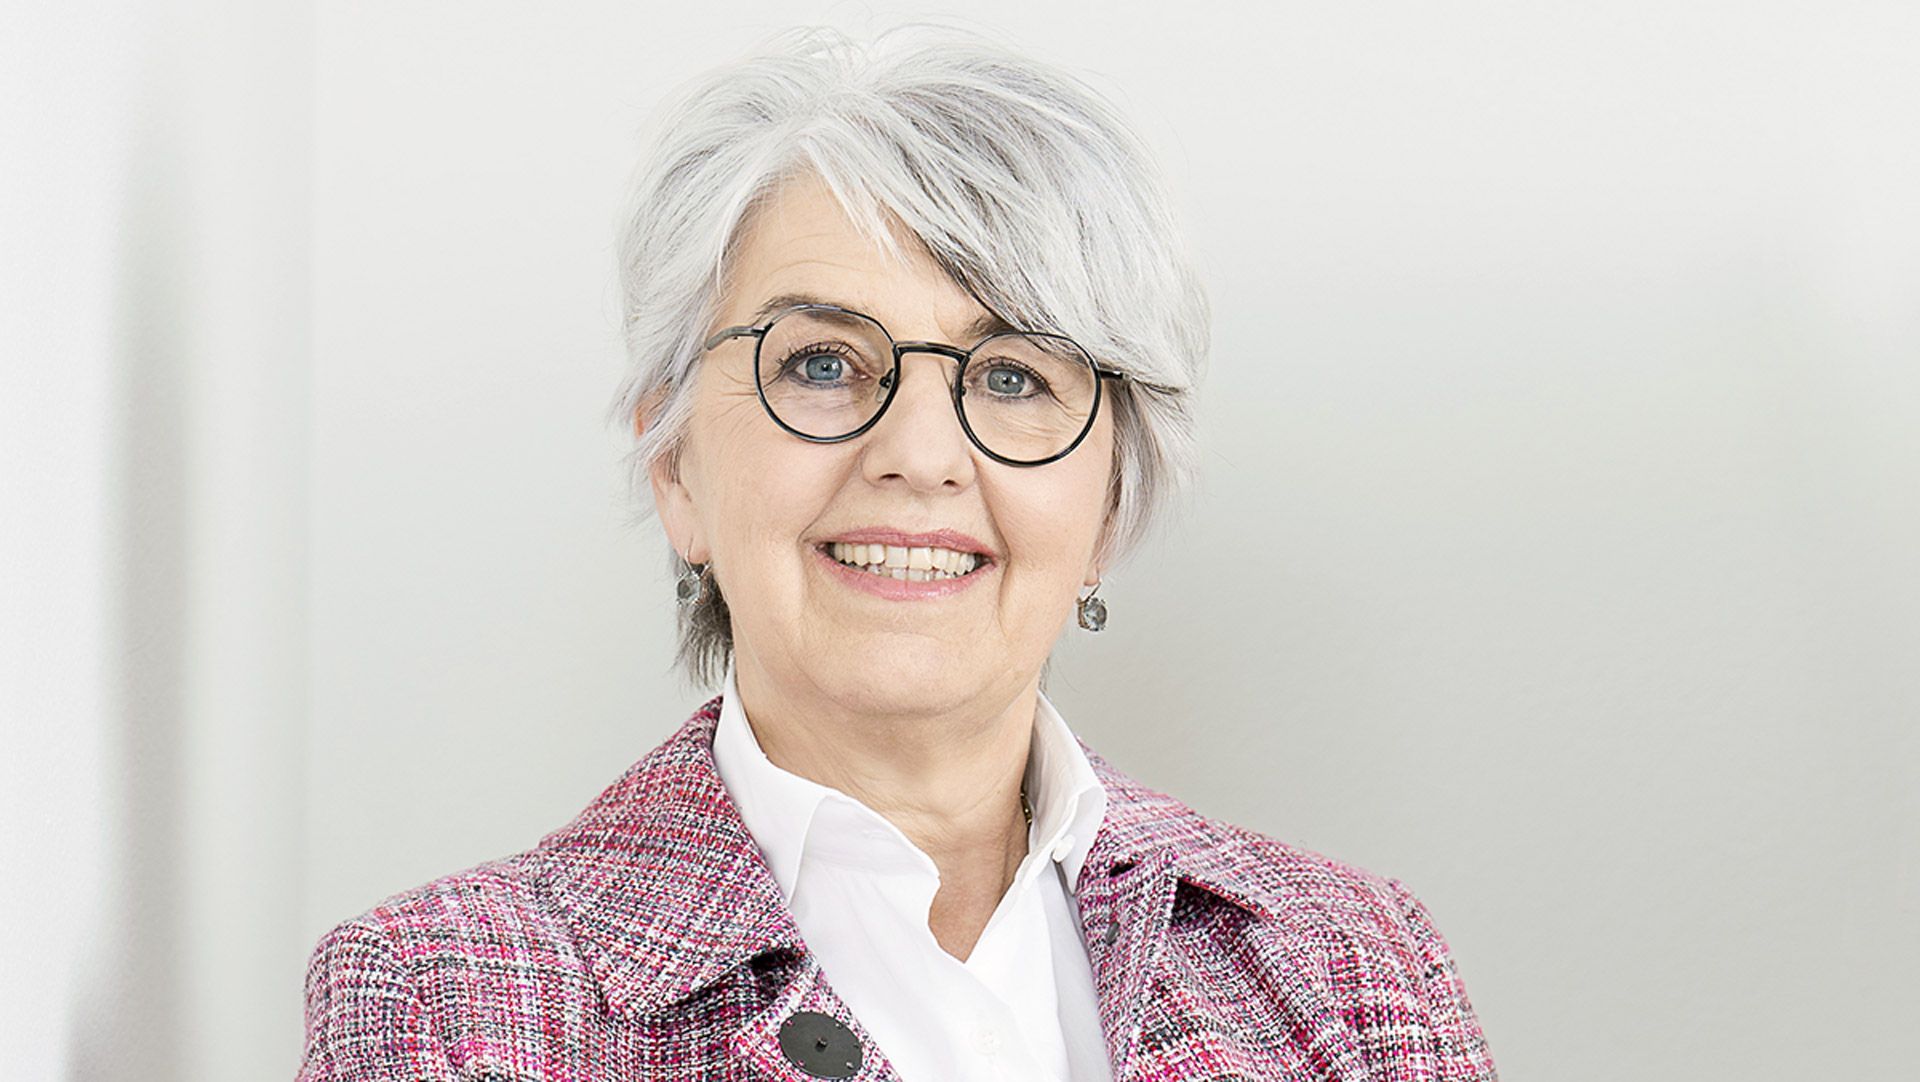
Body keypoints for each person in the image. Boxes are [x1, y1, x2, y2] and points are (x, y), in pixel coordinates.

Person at [297, 25, 1497, 1082]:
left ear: (1112, 499)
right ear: (675, 467)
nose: (920, 454)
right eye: (822, 362)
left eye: (1017, 374)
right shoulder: (445, 1002)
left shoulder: (1351, 967)